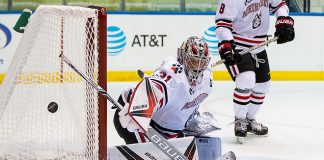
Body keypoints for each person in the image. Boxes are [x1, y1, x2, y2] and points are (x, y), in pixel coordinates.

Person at [113, 36, 219, 144]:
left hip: (164, 128)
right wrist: (141, 108)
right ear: (182, 56)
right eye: (193, 60)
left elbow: (186, 99)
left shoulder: (207, 77)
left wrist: (189, 118)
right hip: (131, 111)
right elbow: (157, 87)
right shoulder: (173, 72)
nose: (197, 67)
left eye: (201, 62)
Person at [214, 0, 295, 138]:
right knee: (246, 79)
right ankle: (240, 120)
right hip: (237, 46)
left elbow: (280, 5)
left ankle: (250, 120)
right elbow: (222, 24)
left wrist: (283, 20)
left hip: (259, 46)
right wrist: (226, 45)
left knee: (263, 85)